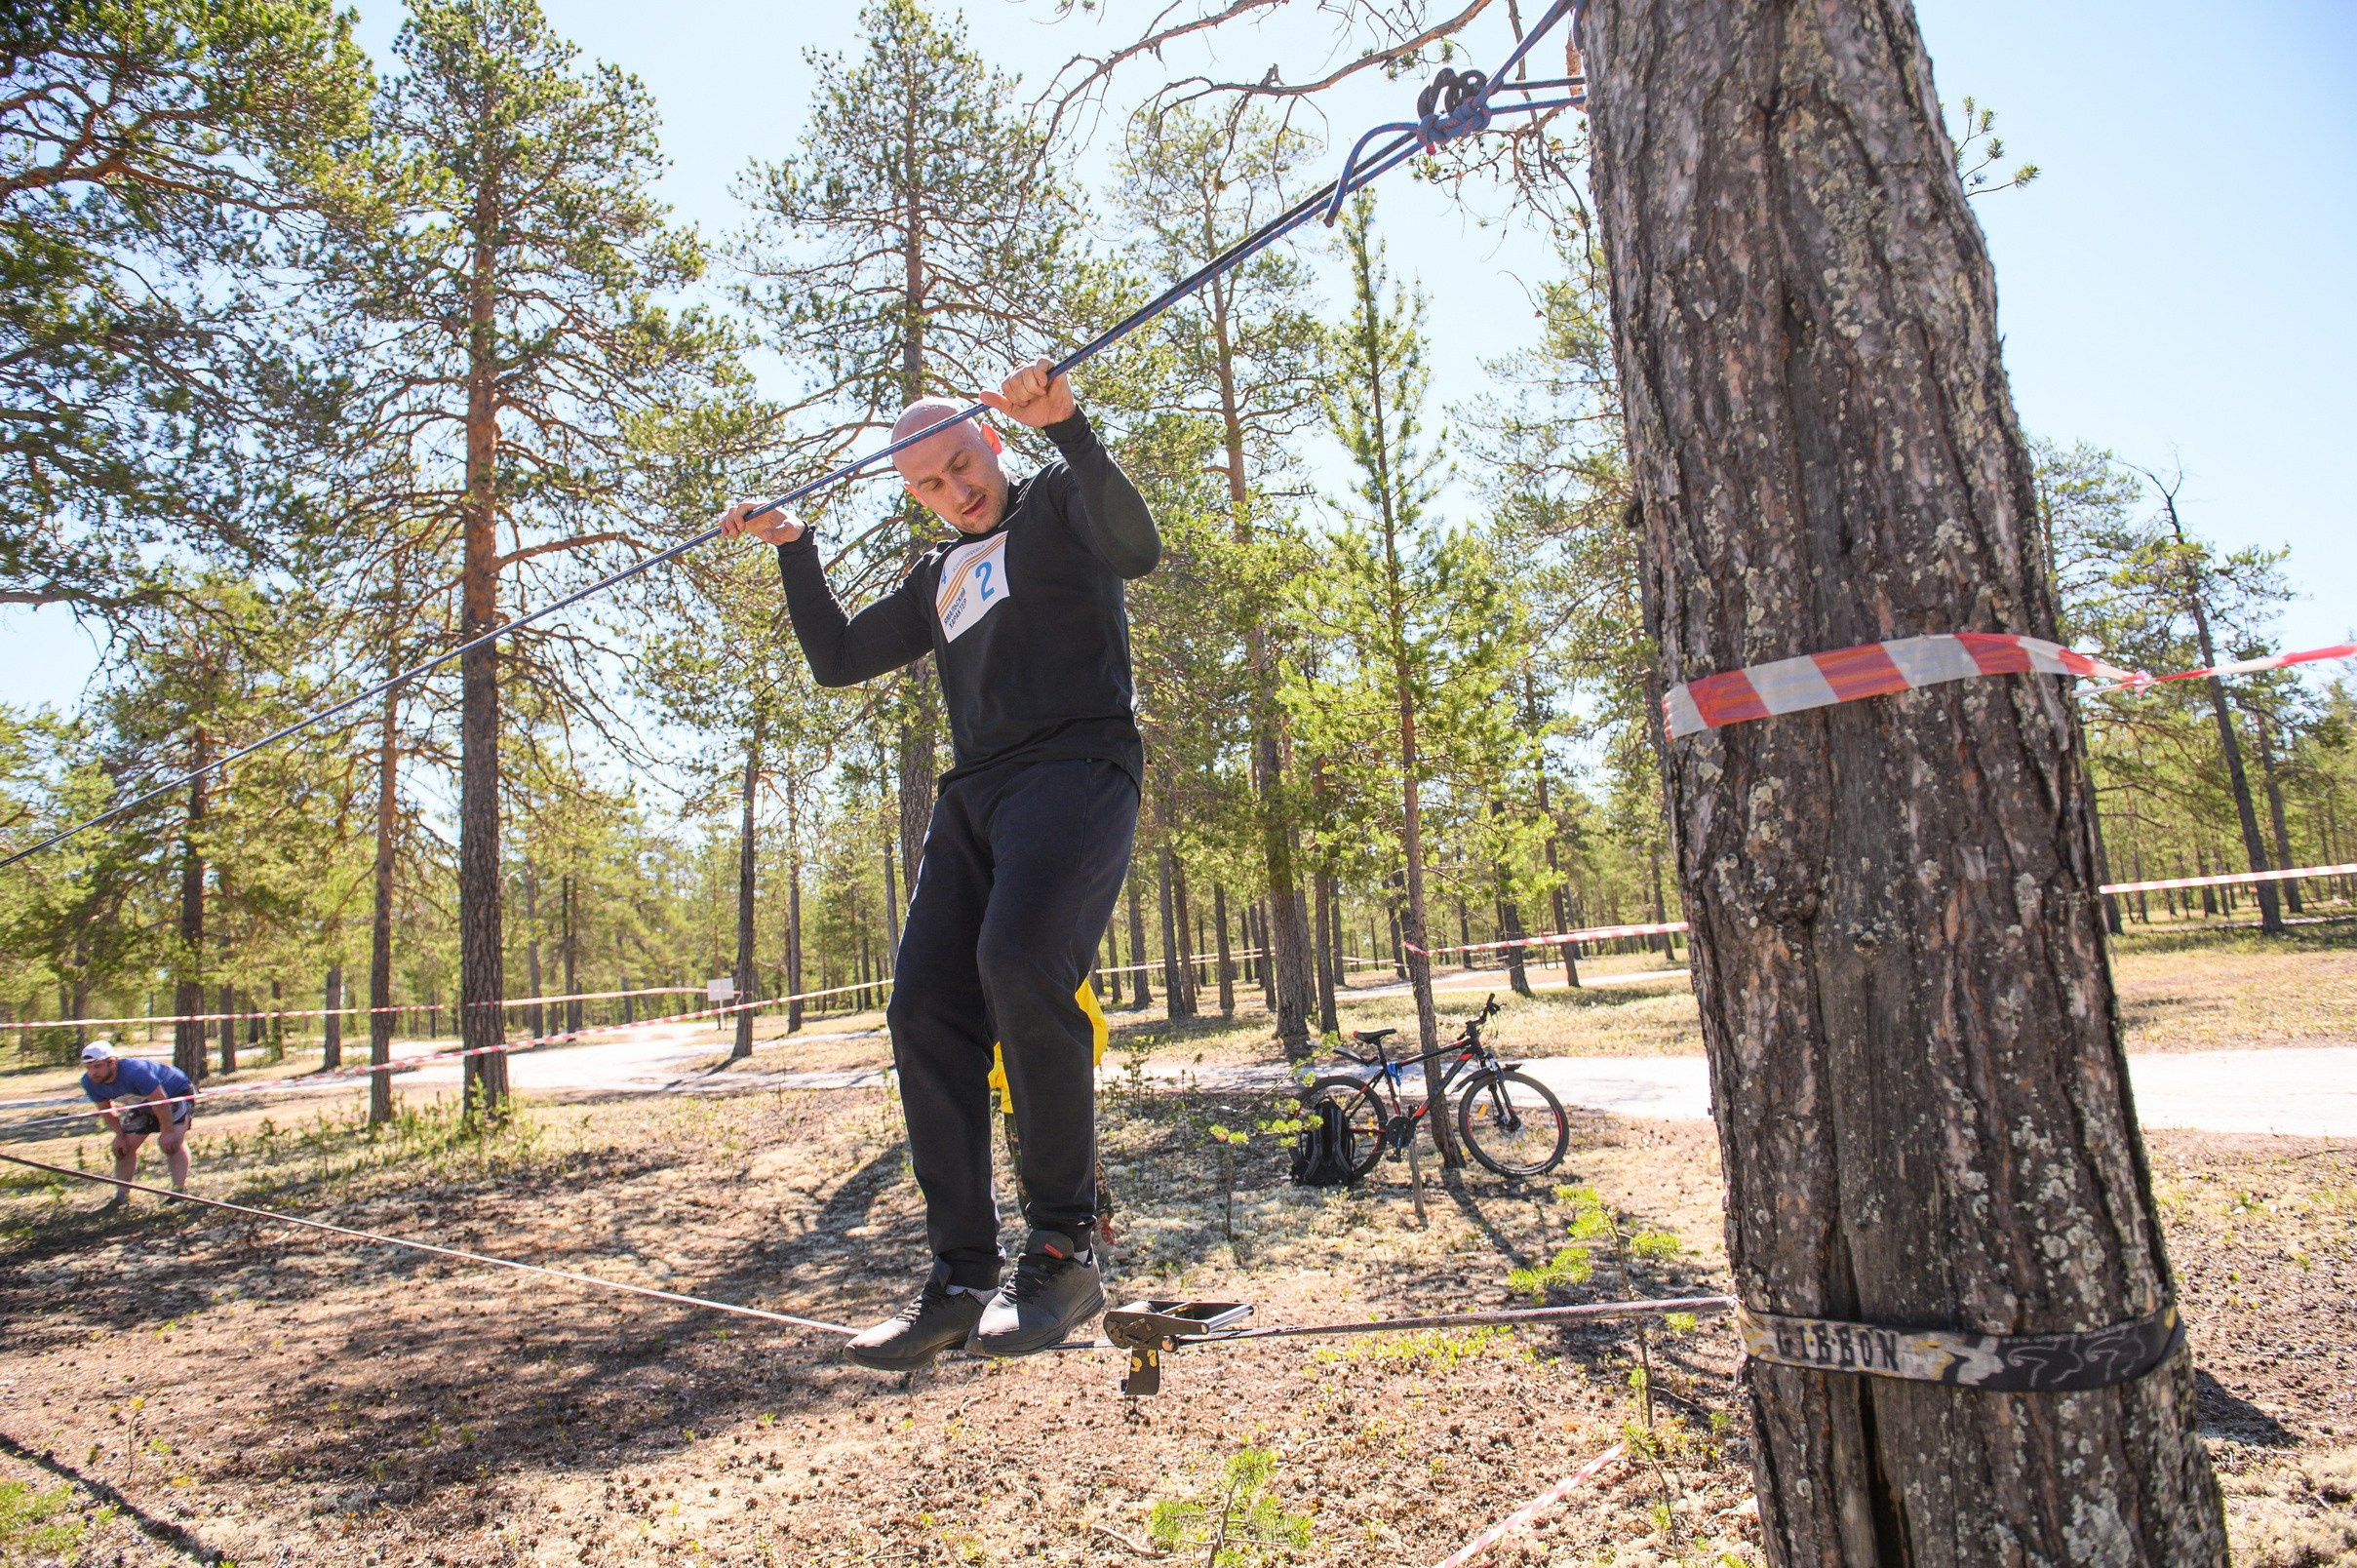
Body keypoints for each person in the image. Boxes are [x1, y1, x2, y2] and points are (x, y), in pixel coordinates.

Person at [717, 358, 1158, 1367]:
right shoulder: (935, 577)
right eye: (930, 484)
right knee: (921, 1005)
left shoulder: (1054, 504)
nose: (957, 491)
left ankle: (1063, 1250)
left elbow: (1137, 550)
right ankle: (960, 1275)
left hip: (1078, 766)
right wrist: (795, 547)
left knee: (1017, 965)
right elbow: (834, 659)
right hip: (976, 796)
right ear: (912, 494)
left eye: (964, 465)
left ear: (991, 443)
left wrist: (1073, 431)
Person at [78, 1040, 196, 1207]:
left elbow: (161, 1102)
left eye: (97, 1066)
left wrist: (167, 1131)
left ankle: (178, 1193)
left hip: (174, 1092)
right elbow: (106, 1111)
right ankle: (121, 1198)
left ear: (112, 1063)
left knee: (172, 1143)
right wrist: (119, 1136)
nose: (92, 1073)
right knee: (123, 1148)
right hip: (143, 1101)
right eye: (88, 1068)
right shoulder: (89, 1083)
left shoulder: (136, 1072)